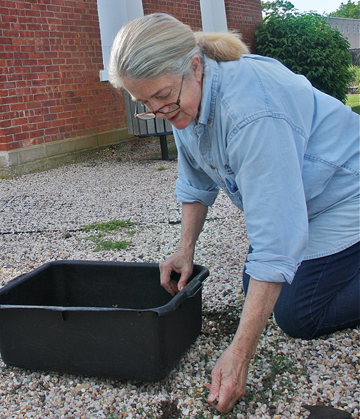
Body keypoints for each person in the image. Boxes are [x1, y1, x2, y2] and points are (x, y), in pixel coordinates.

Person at [108, 13, 360, 414]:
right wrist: (184, 249)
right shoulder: (179, 96)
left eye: (162, 97)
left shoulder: (251, 114)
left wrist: (239, 354)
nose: (159, 109)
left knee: (298, 314)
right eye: (146, 103)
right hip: (305, 195)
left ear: (194, 65)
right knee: (258, 292)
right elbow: (196, 181)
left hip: (345, 191)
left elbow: (276, 239)